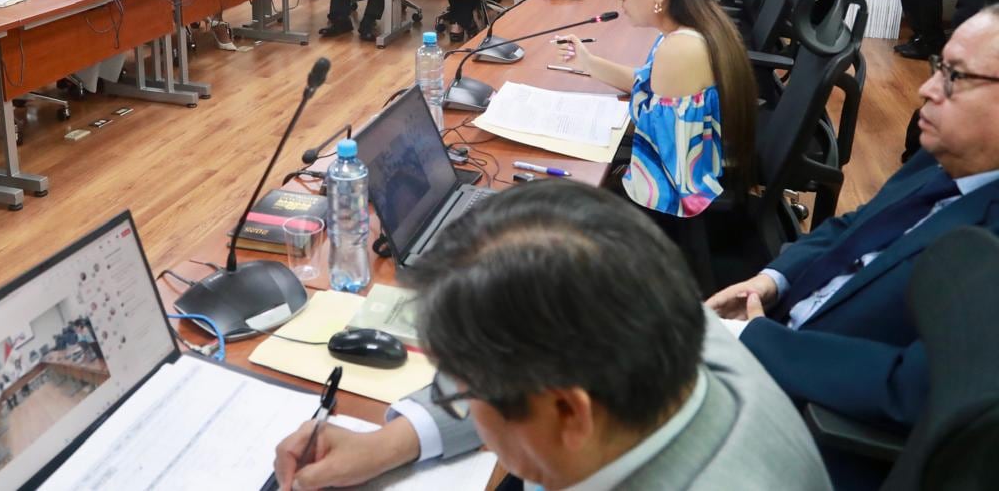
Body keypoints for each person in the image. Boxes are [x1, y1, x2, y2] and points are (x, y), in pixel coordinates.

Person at [274, 181, 829, 491]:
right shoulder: (681, 324)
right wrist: (388, 443)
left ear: (568, 412)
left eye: (466, 389)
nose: (460, 398)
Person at [708, 5, 999, 487]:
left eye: (956, 76)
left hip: (813, 429)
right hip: (775, 341)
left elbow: (916, 389)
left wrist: (757, 340)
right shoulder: (942, 156)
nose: (927, 89)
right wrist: (773, 280)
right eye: (938, 67)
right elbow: (853, 225)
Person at [560, 0, 756, 219]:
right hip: (695, 174)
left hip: (670, 201)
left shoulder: (680, 49)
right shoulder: (691, 26)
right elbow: (646, 84)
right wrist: (588, 63)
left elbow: (655, 146)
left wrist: (574, 126)